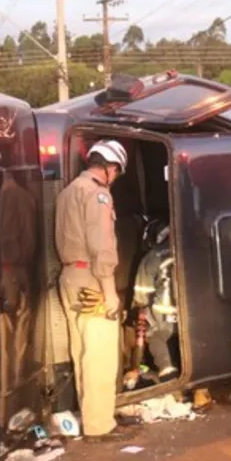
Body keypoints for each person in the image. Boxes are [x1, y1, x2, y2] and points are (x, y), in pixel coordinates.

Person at [55, 139, 137, 443]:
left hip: (69, 275)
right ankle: (99, 425)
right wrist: (109, 291)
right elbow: (101, 245)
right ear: (111, 167)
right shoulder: (97, 194)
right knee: (100, 353)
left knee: (82, 352)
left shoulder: (68, 192)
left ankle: (92, 417)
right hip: (91, 277)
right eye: (116, 172)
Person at [128, 223, 178, 387]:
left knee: (154, 335)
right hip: (188, 309)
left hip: (162, 310)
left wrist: (138, 308)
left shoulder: (152, 257)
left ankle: (166, 368)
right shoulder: (187, 251)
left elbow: (142, 293)